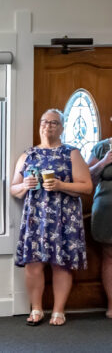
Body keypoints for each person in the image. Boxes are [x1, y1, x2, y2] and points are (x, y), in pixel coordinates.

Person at [10, 108, 91, 326]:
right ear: (39, 125)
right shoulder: (28, 154)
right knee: (33, 265)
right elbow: (13, 189)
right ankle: (36, 309)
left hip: (64, 216)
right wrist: (24, 185)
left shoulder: (71, 152)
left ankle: (58, 310)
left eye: (54, 122)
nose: (49, 126)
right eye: (45, 122)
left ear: (62, 128)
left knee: (61, 264)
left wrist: (61, 185)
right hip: (36, 216)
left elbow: (87, 186)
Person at [85, 114, 112, 319]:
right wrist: (103, 162)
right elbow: (86, 176)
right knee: (109, 256)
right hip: (106, 210)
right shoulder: (102, 147)